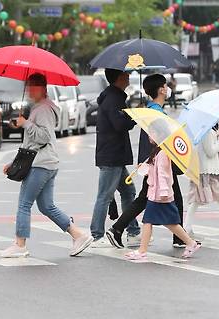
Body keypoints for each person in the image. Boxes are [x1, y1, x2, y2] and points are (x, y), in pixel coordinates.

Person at [1, 73, 93, 258]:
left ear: (42, 88)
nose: (28, 90)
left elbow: (44, 136)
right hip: (46, 162)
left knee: (24, 204)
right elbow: (35, 141)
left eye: (32, 87)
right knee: (46, 206)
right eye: (28, 86)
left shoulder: (43, 109)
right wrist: (14, 162)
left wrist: (26, 123)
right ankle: (78, 235)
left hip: (40, 164)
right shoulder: (42, 107)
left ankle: (20, 244)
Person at [106, 74, 188, 248]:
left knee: (146, 198)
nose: (168, 89)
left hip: (157, 162)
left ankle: (118, 229)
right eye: (165, 86)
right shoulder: (155, 114)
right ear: (160, 90)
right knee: (160, 198)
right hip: (159, 163)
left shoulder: (152, 111)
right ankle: (117, 229)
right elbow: (154, 141)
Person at [123, 143, 201, 261]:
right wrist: (143, 167)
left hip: (160, 195)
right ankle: (191, 243)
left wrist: (164, 191)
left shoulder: (163, 153)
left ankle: (142, 251)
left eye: (152, 133)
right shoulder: (157, 151)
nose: (149, 136)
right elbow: (153, 171)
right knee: (170, 223)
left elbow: (163, 174)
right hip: (156, 193)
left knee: (148, 221)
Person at [90, 68, 141, 247]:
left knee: (128, 192)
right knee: (104, 196)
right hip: (111, 155)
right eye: (126, 74)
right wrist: (135, 116)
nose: (128, 77)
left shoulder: (115, 96)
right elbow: (119, 124)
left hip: (116, 155)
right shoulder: (113, 98)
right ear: (119, 78)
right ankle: (96, 235)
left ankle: (133, 231)